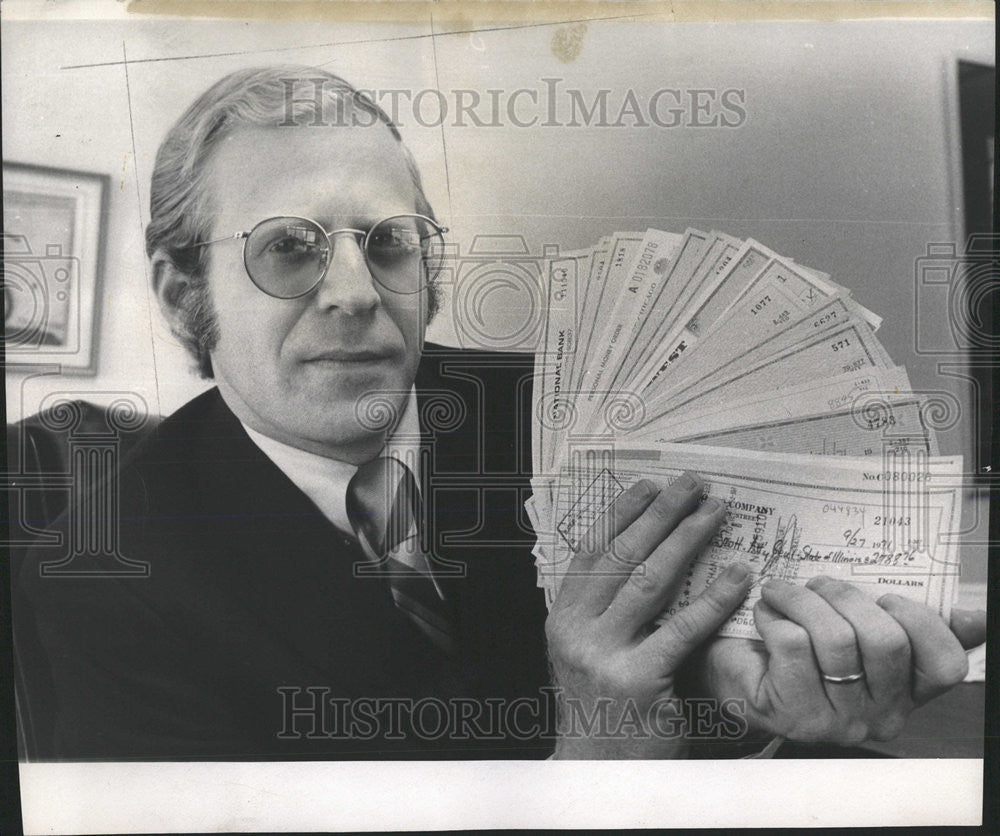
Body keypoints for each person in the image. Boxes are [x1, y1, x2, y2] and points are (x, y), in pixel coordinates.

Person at [12, 65, 985, 761]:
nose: (355, 290)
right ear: (184, 291)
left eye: (391, 241)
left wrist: (767, 704)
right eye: (288, 248)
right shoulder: (102, 578)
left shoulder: (571, 414)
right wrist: (595, 762)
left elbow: (708, 684)